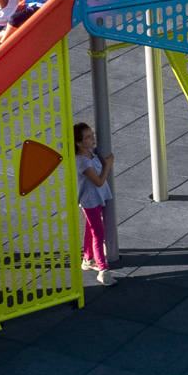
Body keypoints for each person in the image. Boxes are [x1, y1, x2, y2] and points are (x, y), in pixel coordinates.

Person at [74, 122, 116, 286]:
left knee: (91, 228)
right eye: (88, 137)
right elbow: (98, 181)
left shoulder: (90, 152)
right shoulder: (83, 163)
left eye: (92, 135)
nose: (93, 139)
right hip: (90, 201)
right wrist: (108, 165)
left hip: (96, 198)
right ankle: (102, 270)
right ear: (79, 143)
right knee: (98, 233)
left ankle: (87, 259)